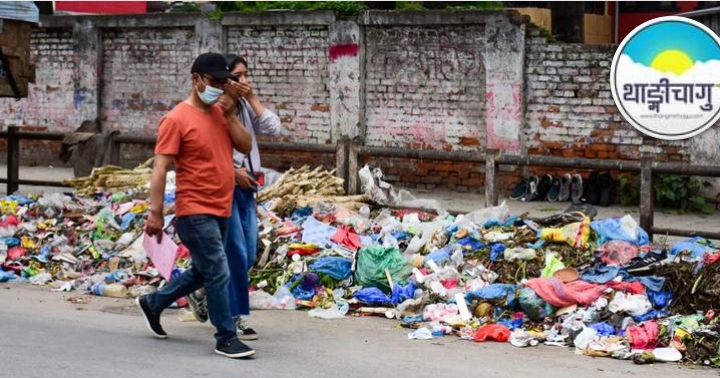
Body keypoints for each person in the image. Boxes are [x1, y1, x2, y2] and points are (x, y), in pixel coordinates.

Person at [136, 52, 256, 359]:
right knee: (219, 269)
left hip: (221, 207)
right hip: (193, 210)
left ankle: (154, 303)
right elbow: (160, 168)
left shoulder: (220, 113)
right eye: (215, 81)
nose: (220, 86)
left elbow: (244, 145)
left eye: (223, 81)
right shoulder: (176, 119)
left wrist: (230, 115)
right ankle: (226, 336)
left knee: (204, 271)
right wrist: (156, 212)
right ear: (196, 80)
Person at [186, 54, 281, 341]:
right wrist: (232, 169)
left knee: (248, 253)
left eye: (245, 76)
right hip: (224, 187)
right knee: (237, 255)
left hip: (248, 188)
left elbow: (273, 128)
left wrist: (250, 98)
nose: (243, 82)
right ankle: (233, 318)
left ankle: (199, 292)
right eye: (237, 77)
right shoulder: (213, 109)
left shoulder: (243, 106)